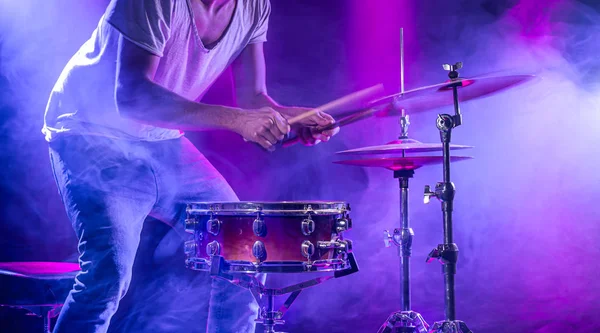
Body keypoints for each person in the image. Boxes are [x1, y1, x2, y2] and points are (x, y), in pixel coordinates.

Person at [42, 0, 338, 332]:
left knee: (242, 253)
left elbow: (253, 96)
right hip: (90, 133)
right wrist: (236, 121)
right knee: (106, 275)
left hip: (159, 137)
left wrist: (291, 117)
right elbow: (132, 96)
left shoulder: (255, 5)